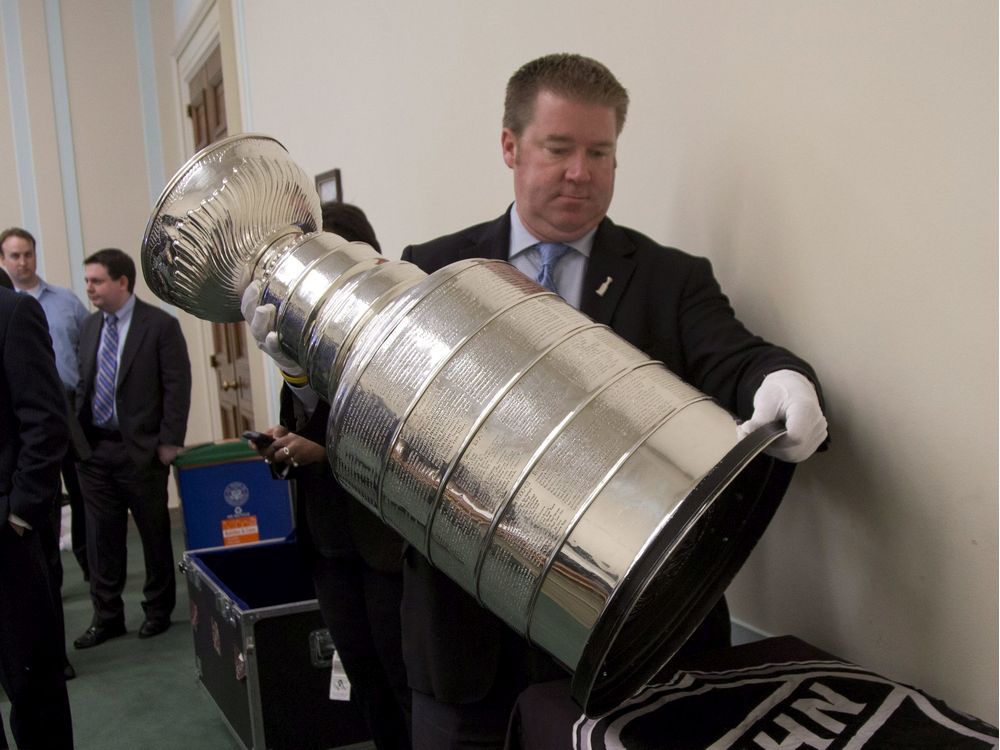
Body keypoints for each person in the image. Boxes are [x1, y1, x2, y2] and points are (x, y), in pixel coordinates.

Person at [398, 53, 829, 748]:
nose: (581, 171)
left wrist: (784, 383)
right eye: (559, 148)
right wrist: (305, 373)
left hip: (638, 643)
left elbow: (737, 355)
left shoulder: (671, 279)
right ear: (510, 146)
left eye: (600, 151)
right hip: (467, 647)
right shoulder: (434, 268)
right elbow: (378, 419)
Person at [244, 202, 411, 749]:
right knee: (367, 687)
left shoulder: (398, 328)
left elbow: (399, 439)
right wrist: (284, 440)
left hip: (385, 548)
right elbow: (305, 420)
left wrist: (323, 448)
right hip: (328, 543)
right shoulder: (298, 332)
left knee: (403, 688)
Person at [73, 248, 192, 648]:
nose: (89, 288)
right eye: (87, 281)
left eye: (96, 281)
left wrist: (169, 441)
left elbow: (177, 385)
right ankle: (107, 616)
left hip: (141, 451)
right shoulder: (90, 328)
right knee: (101, 540)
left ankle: (157, 611)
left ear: (122, 282)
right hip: (95, 452)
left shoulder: (158, 326)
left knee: (155, 535)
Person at [0, 285, 74, 748]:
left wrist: (21, 514)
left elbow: (46, 421)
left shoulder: (13, 312)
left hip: (6, 539)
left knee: (32, 688)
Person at [0, 227, 92, 583]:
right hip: (30, 421)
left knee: (75, 498)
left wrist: (20, 513)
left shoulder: (55, 302)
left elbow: (90, 351)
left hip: (64, 412)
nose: (23, 262)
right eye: (15, 255)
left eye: (27, 254)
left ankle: (86, 569)